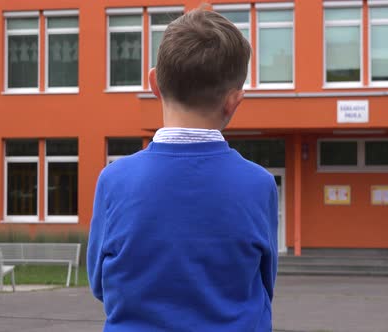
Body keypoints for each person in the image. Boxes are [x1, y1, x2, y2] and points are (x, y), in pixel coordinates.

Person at [87, 7, 278, 331]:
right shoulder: (259, 185)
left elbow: (99, 283)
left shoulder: (114, 180)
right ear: (234, 101)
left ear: (154, 83)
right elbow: (263, 282)